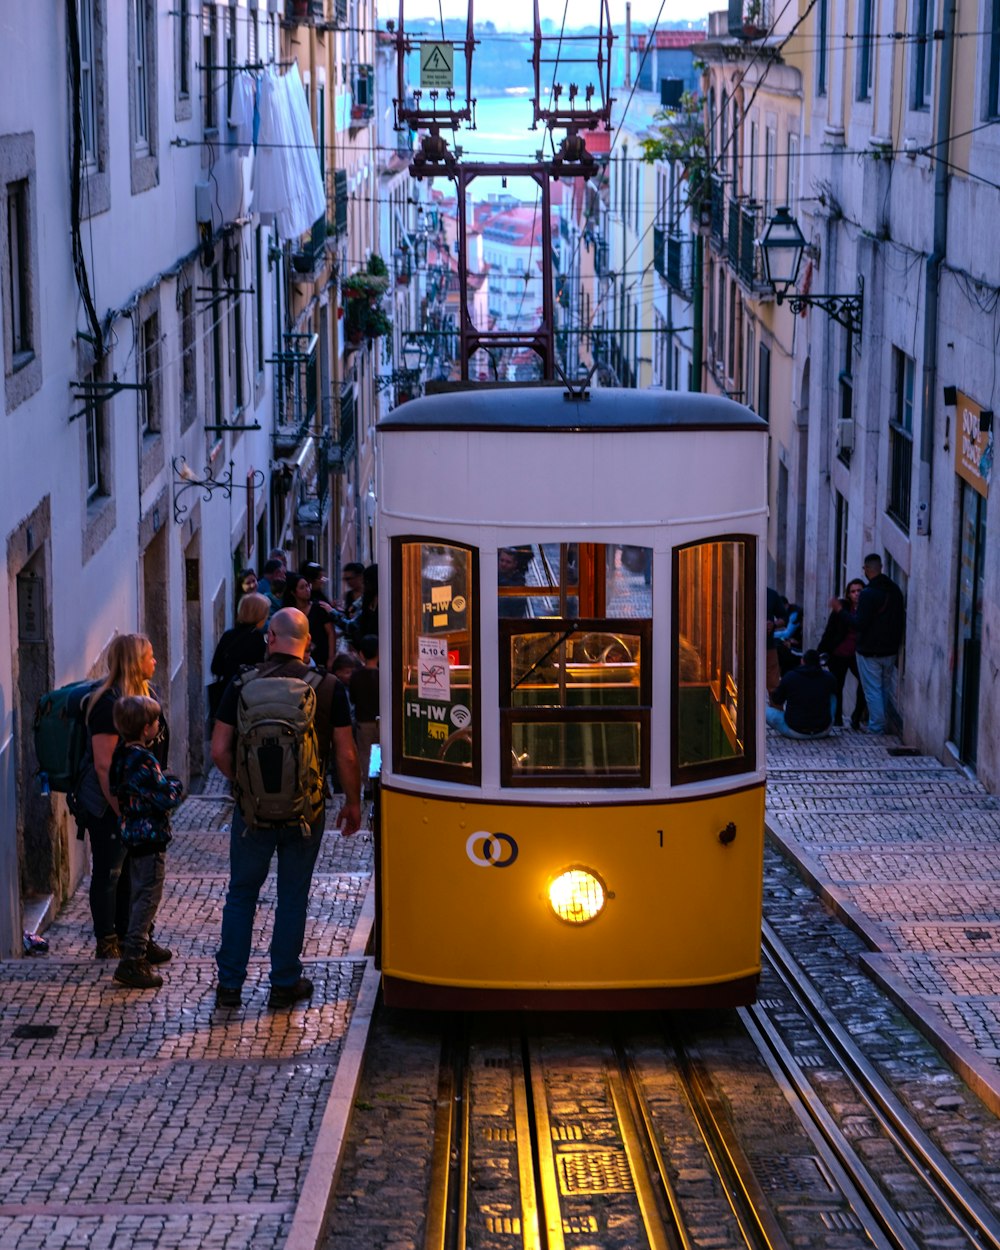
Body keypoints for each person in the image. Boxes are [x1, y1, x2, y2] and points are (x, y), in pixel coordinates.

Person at [211, 608, 361, 1010]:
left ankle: (229, 986)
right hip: (305, 813)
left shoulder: (241, 684)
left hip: (251, 814)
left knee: (241, 893)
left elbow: (218, 749)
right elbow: (346, 754)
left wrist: (245, 786)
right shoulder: (328, 687)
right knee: (293, 896)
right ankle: (284, 983)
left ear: (270, 638)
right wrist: (353, 801)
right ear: (308, 643)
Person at [76, 634, 171, 963]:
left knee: (138, 873)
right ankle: (108, 940)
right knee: (111, 870)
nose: (155, 662)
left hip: (137, 803)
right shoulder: (105, 703)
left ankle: (139, 938)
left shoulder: (147, 693)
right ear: (135, 661)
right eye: (150, 656)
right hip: (108, 803)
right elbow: (104, 765)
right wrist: (121, 810)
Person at [109, 695, 184, 990]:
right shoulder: (144, 760)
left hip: (132, 834)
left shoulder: (121, 756)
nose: (158, 726)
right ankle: (133, 958)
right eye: (155, 722)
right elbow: (166, 795)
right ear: (146, 729)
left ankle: (141, 945)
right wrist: (174, 782)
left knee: (139, 893)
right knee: (147, 897)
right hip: (149, 837)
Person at [828, 553, 905, 734]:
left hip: (870, 652)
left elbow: (859, 624)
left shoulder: (868, 595)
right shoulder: (895, 590)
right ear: (881, 568)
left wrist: (839, 610)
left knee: (872, 691)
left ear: (867, 570)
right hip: (891, 650)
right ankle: (879, 723)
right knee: (884, 688)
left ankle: (877, 728)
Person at [817, 579, 868, 728]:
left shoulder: (866, 608)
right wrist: (821, 651)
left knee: (865, 684)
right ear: (848, 594)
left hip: (857, 654)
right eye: (853, 591)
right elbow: (829, 631)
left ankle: (856, 717)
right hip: (838, 654)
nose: (856, 594)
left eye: (859, 591)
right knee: (837, 686)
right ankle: (837, 718)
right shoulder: (842, 608)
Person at [209, 593, 269, 702]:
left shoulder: (229, 635)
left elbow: (215, 667)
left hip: (228, 695)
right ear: (260, 615)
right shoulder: (261, 639)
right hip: (252, 697)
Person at [766, 650, 837, 739]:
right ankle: (829, 720)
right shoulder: (829, 678)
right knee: (833, 695)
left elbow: (777, 700)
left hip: (795, 730)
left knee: (764, 711)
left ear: (802, 661)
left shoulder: (790, 677)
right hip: (823, 730)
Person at [283, 573, 336, 669]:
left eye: (307, 586)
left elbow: (331, 633)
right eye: (302, 588)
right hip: (299, 657)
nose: (307, 590)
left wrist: (331, 657)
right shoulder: (290, 612)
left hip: (321, 655)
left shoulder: (319, 608)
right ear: (293, 592)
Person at [349, 635, 380, 796]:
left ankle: (367, 786)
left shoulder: (356, 676)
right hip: (380, 721)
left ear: (361, 654)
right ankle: (379, 781)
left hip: (363, 721)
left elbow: (353, 698)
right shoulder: (383, 676)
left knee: (364, 753)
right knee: (381, 751)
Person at [497, 548, 528, 618]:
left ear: (515, 564)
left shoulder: (518, 584)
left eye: (508, 562)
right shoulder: (490, 576)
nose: (503, 564)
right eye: (501, 560)